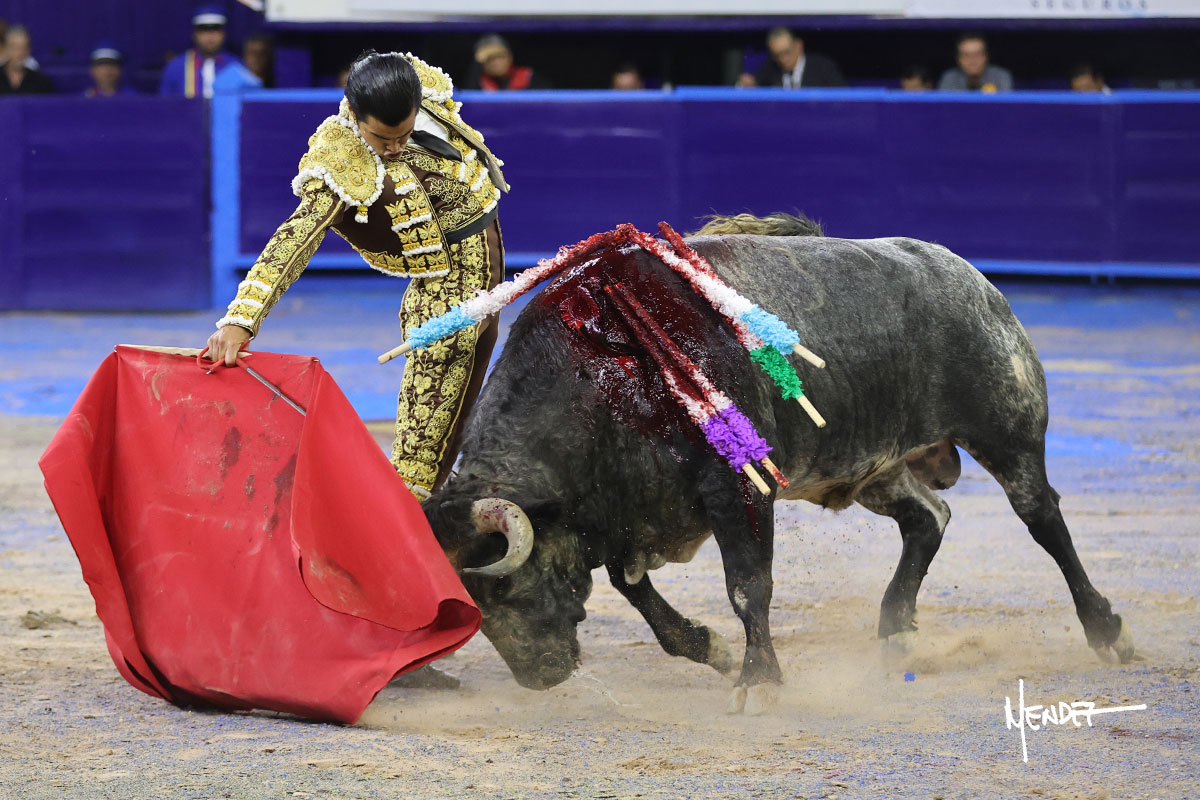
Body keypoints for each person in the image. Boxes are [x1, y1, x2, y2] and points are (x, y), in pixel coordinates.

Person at [205, 51, 510, 501]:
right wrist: (240, 319)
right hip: (445, 294)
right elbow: (296, 237)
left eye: (404, 134)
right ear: (353, 111)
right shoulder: (340, 158)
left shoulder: (417, 89)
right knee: (421, 455)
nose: (394, 148)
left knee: (463, 423)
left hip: (487, 275)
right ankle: (398, 539)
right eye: (383, 138)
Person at [159, 5, 246, 98]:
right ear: (194, 34)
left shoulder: (237, 66)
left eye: (216, 29)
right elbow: (166, 106)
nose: (210, 36)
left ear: (224, 34)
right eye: (204, 29)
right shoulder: (176, 67)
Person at [736, 27, 846, 89]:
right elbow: (750, 84)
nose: (783, 59)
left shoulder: (823, 67)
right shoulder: (769, 69)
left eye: (787, 52)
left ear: (799, 46)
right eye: (777, 55)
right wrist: (745, 84)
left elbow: (842, 98)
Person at [465, 34, 551, 91]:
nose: (495, 62)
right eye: (489, 58)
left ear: (510, 58)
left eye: (500, 56)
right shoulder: (478, 82)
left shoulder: (528, 77)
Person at [937, 32, 1012, 93]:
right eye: (966, 55)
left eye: (977, 54)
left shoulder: (1000, 77)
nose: (972, 61)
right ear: (958, 59)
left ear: (986, 56)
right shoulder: (949, 78)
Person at [0, 25, 54, 95]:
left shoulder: (41, 81)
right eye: (14, 48)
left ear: (29, 50)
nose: (20, 53)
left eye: (23, 48)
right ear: (6, 49)